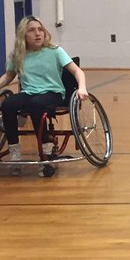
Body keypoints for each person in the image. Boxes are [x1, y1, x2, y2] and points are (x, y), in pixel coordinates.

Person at [0, 15, 89, 167]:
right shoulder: (17, 54)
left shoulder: (55, 51)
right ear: (23, 35)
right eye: (32, 30)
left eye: (40, 29)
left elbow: (77, 72)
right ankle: (14, 150)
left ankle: (45, 146)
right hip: (28, 93)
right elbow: (8, 76)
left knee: (36, 104)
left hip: (52, 92)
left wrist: (82, 88)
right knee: (8, 104)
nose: (38, 33)